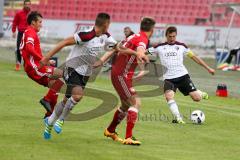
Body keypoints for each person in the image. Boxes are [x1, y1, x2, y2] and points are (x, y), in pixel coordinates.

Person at [40, 13, 136, 140]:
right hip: (72, 67)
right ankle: (61, 120)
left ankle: (49, 123)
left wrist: (135, 53)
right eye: (109, 23)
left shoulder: (105, 36)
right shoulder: (85, 35)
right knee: (77, 96)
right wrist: (47, 57)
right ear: (106, 24)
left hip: (85, 73)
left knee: (66, 99)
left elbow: (117, 47)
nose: (109, 26)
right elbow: (64, 42)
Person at [96, 17, 155, 145]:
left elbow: (116, 48)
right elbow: (140, 51)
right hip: (121, 75)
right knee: (136, 103)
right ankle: (129, 137)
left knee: (125, 105)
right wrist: (142, 56)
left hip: (121, 74)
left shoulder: (133, 37)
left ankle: (110, 130)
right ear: (153, 30)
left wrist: (101, 61)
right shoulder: (143, 39)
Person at [148, 26, 215, 124]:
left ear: (176, 36)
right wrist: (139, 56)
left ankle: (200, 93)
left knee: (196, 98)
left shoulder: (182, 46)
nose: (172, 39)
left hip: (182, 76)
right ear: (166, 36)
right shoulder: (159, 47)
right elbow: (143, 52)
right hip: (168, 79)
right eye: (170, 36)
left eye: (174, 36)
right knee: (169, 96)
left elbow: (195, 57)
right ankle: (178, 118)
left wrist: (208, 68)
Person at [20, 11, 64, 118]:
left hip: (35, 67)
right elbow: (29, 48)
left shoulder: (29, 32)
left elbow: (32, 51)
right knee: (63, 74)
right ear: (33, 22)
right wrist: (43, 59)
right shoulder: (30, 32)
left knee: (56, 85)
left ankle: (49, 115)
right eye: (39, 22)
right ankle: (46, 99)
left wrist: (46, 60)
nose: (41, 24)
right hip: (35, 68)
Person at [12, 0, 31, 71]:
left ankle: (27, 65)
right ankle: (18, 64)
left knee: (28, 50)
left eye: (29, 4)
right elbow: (15, 22)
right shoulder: (19, 13)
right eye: (26, 4)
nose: (27, 6)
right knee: (18, 49)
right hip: (21, 33)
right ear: (24, 5)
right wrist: (13, 31)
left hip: (29, 34)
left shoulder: (31, 14)